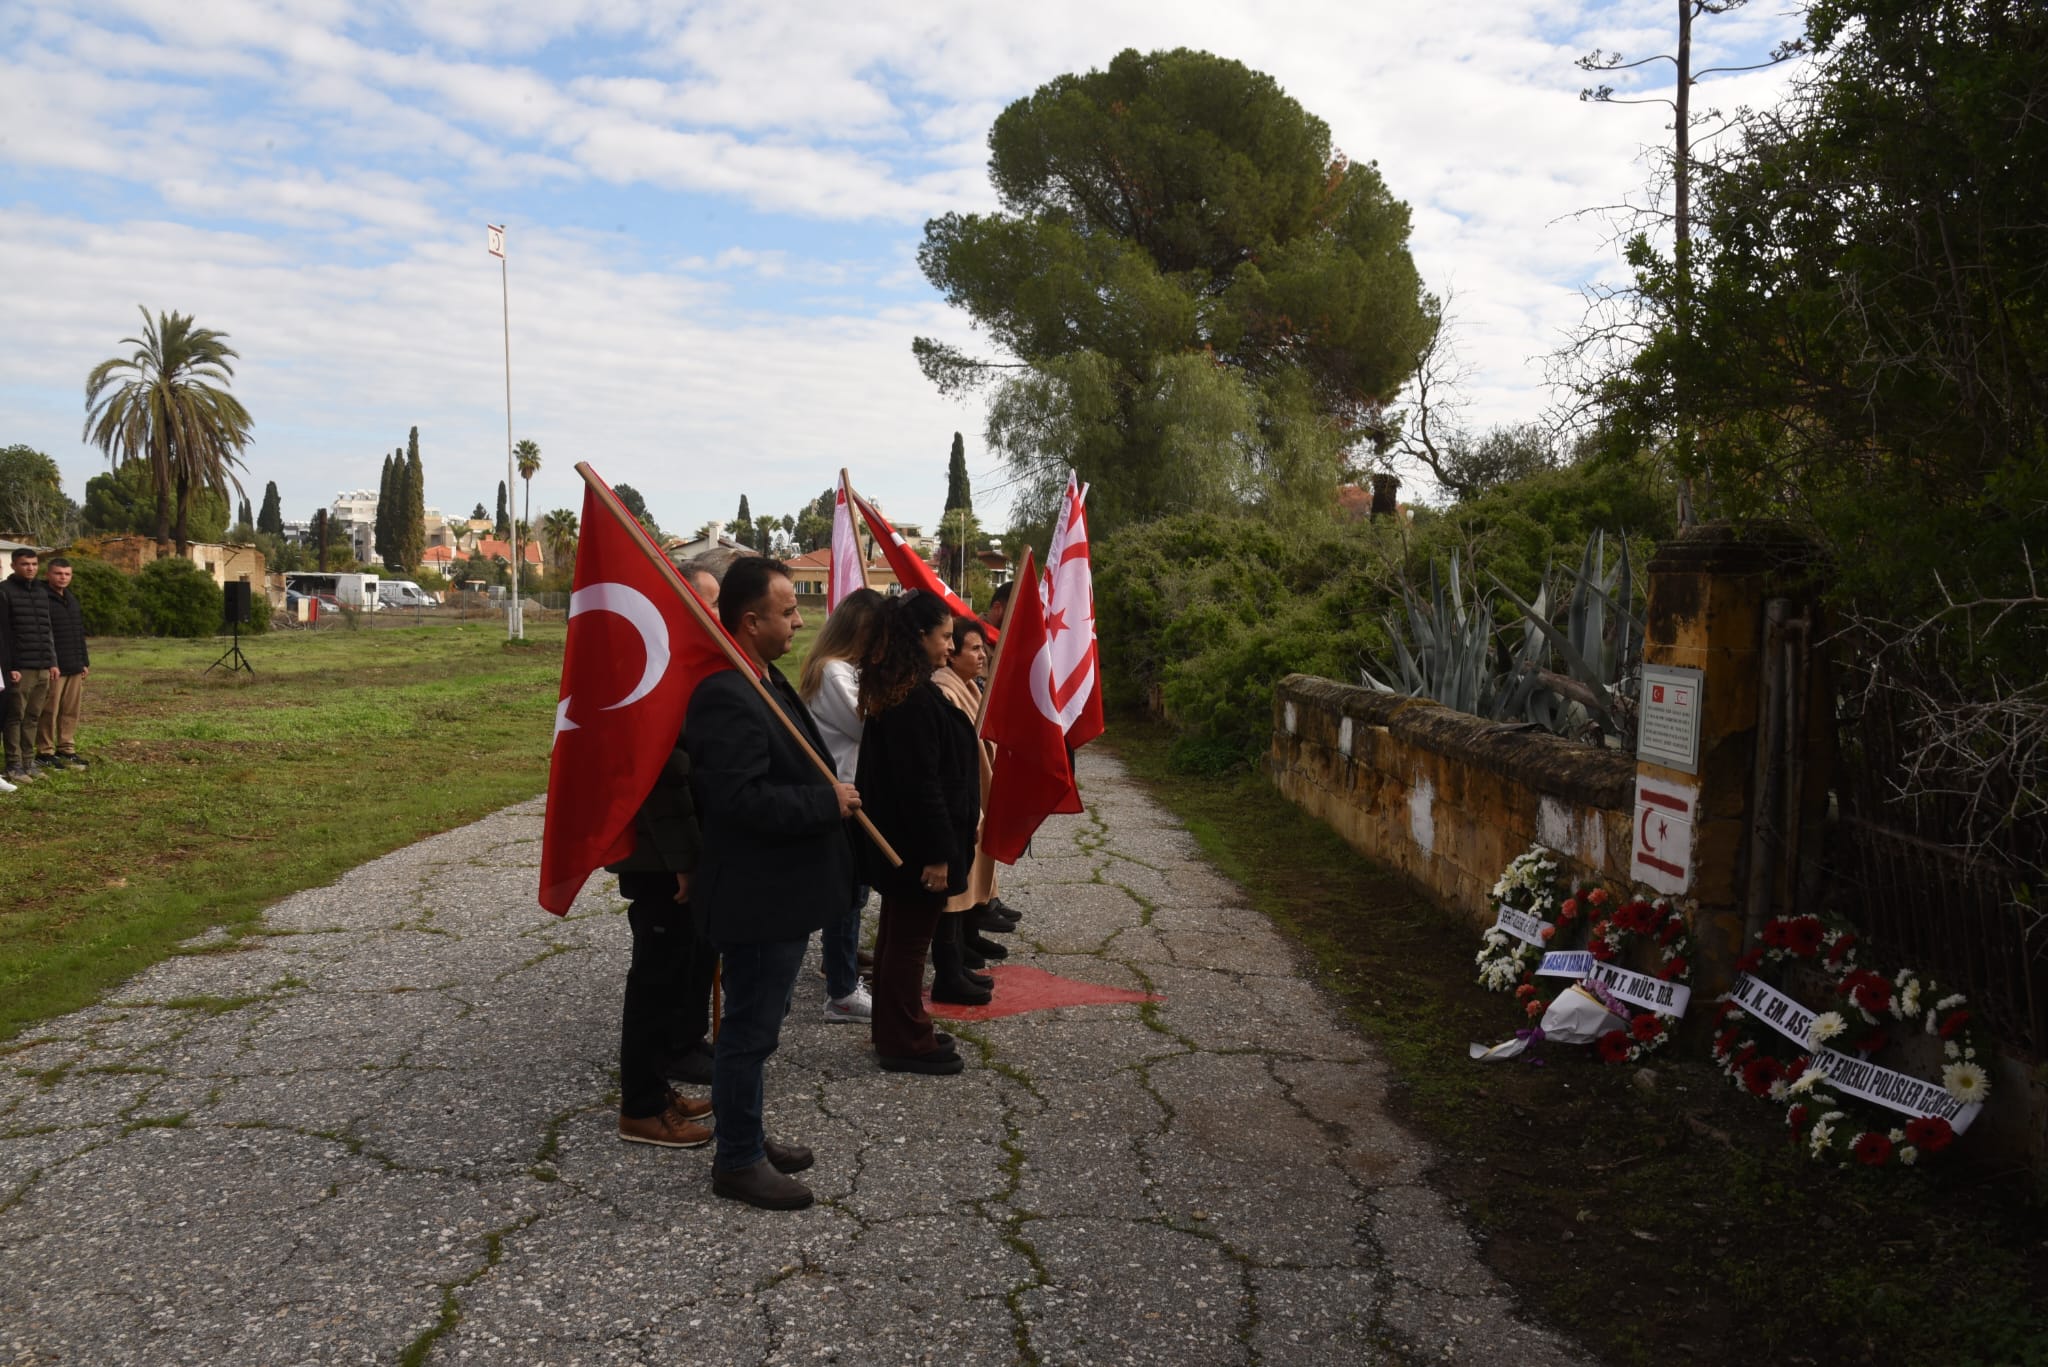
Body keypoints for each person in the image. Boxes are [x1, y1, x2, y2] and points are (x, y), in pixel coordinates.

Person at [687, 556, 859, 1210]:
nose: (800, 620)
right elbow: (740, 801)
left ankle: (747, 1130)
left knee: (762, 1027)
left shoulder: (763, 678)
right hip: (756, 899)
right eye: (788, 611)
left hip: (781, 895)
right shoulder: (725, 693)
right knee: (749, 1031)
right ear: (750, 619)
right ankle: (736, 1160)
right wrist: (828, 802)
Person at [604, 562, 723, 1149]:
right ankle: (642, 1109)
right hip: (657, 859)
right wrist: (684, 859)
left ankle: (657, 1086)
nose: (712, 612)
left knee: (674, 971)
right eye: (703, 601)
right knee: (653, 980)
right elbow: (661, 777)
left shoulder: (675, 659)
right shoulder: (651, 665)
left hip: (673, 853)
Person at [857, 591, 984, 1070]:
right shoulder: (910, 699)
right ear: (919, 637)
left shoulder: (907, 689)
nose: (951, 648)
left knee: (896, 938)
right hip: (916, 849)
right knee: (908, 945)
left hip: (908, 846)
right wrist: (937, 854)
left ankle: (894, 1027)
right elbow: (922, 786)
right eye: (946, 636)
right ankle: (905, 1039)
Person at [797, 587, 888, 1024]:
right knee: (847, 898)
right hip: (842, 796)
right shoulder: (835, 672)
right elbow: (868, 725)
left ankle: (842, 970)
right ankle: (842, 990)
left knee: (853, 894)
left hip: (851, 794)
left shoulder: (845, 669)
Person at [928, 616, 1004, 989]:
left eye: (982, 647)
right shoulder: (942, 688)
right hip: (960, 800)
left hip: (973, 794)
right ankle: (950, 966)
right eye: (973, 647)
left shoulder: (964, 685)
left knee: (969, 877)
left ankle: (961, 954)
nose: (982, 654)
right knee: (954, 889)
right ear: (952, 653)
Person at [0, 548, 59, 785]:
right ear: (14, 566)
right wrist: (9, 666)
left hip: (42, 665)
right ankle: (13, 765)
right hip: (20, 667)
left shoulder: (41, 592)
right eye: (25, 564)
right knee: (15, 716)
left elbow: (48, 630)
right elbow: (3, 634)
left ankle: (28, 761)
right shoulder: (4, 592)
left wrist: (52, 661)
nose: (31, 568)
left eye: (34, 564)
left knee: (33, 716)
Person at [38, 557, 89, 771]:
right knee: (49, 710)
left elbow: (78, 632)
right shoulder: (42, 598)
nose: (63, 577)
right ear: (48, 574)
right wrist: (50, 662)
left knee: (70, 710)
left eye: (67, 574)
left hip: (74, 665)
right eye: (58, 573)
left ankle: (66, 748)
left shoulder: (71, 598)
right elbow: (43, 634)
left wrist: (84, 661)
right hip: (54, 667)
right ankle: (45, 751)